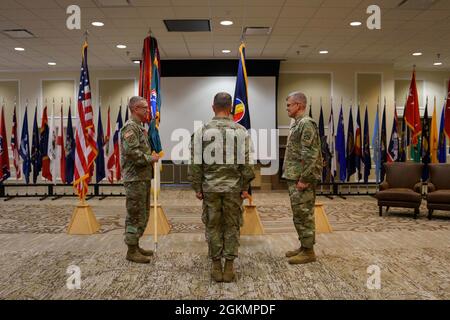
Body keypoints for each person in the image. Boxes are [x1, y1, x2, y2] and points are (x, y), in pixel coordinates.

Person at [188, 92, 255, 282]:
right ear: (231, 108)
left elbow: (194, 163)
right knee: (232, 226)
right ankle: (229, 268)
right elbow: (248, 164)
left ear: (213, 107)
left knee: (213, 225)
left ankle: (216, 266)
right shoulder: (241, 131)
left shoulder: (202, 131)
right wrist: (244, 186)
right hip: (234, 188)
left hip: (210, 188)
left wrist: (197, 187)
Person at [282, 92, 323, 265]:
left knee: (304, 213)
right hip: (296, 175)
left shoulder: (306, 124)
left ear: (299, 105)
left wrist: (305, 178)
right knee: (299, 213)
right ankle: (304, 246)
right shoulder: (298, 124)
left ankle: (309, 251)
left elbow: (310, 154)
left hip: (302, 178)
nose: (287, 108)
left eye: (289, 105)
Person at [120, 96, 160, 264]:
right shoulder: (130, 128)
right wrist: (151, 158)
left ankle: (135, 246)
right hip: (134, 179)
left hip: (142, 178)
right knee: (135, 214)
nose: (147, 110)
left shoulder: (139, 127)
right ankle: (131, 250)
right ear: (135, 109)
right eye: (144, 107)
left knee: (143, 214)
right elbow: (133, 153)